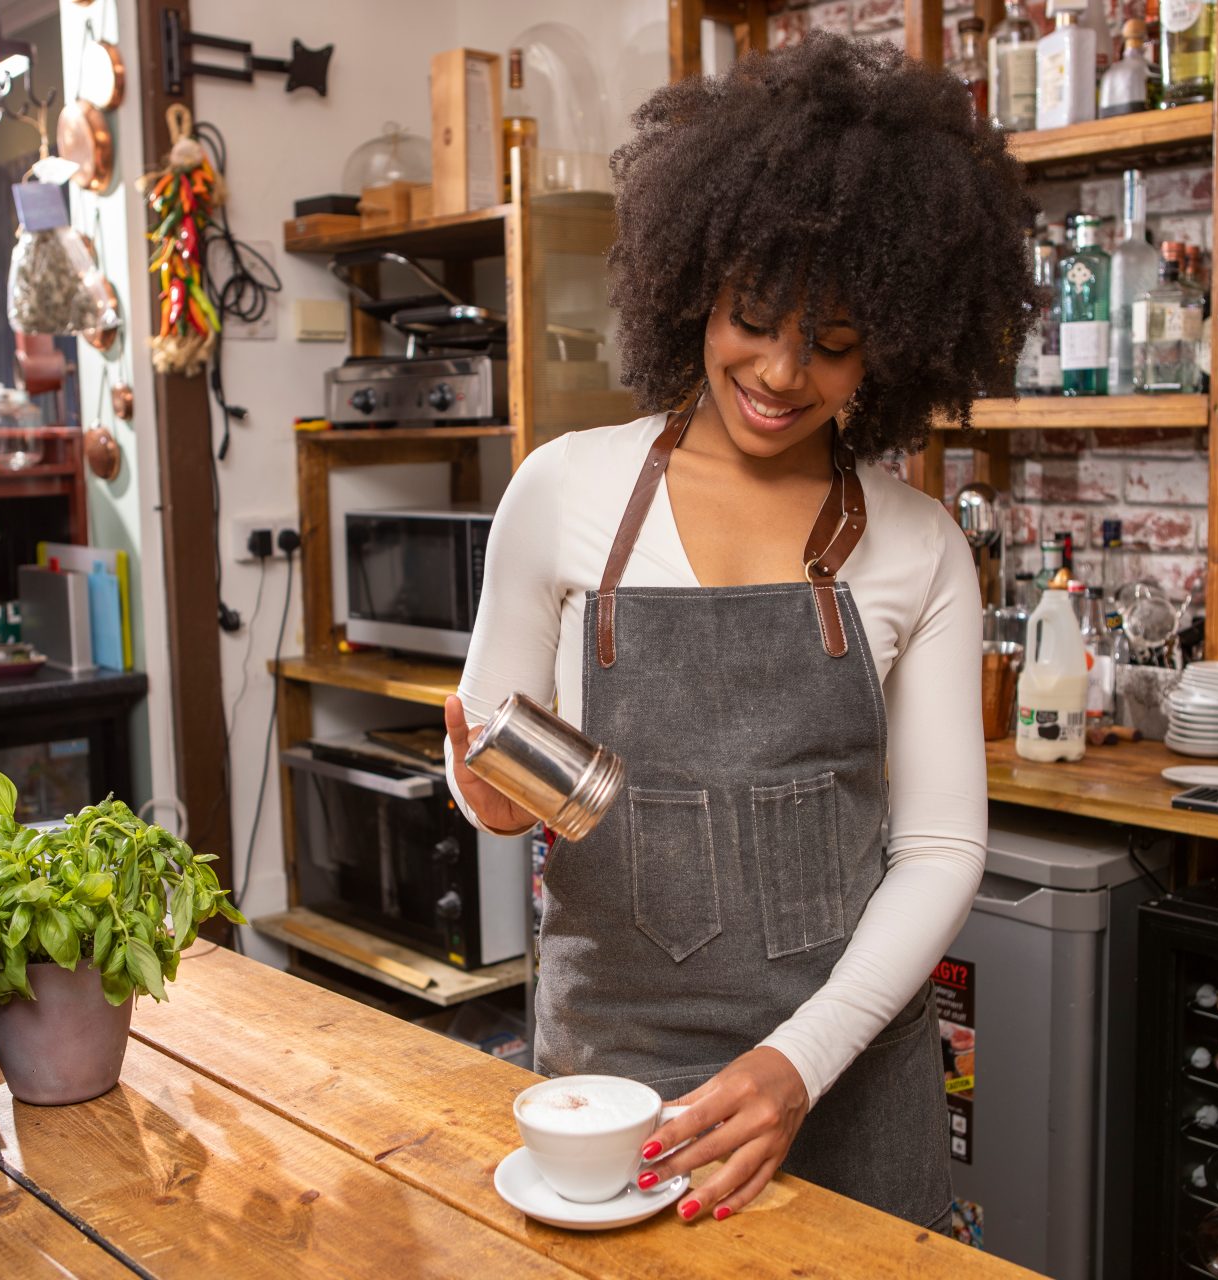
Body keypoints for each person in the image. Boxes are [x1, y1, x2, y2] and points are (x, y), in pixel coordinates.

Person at [444, 33, 1037, 1227]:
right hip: (612, 1079)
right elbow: (492, 749)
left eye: (832, 346)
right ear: (693, 283)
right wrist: (486, 796)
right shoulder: (563, 491)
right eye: (753, 320)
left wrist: (796, 1063)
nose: (777, 374)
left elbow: (936, 851)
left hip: (846, 1075)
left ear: (895, 346)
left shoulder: (918, 546)